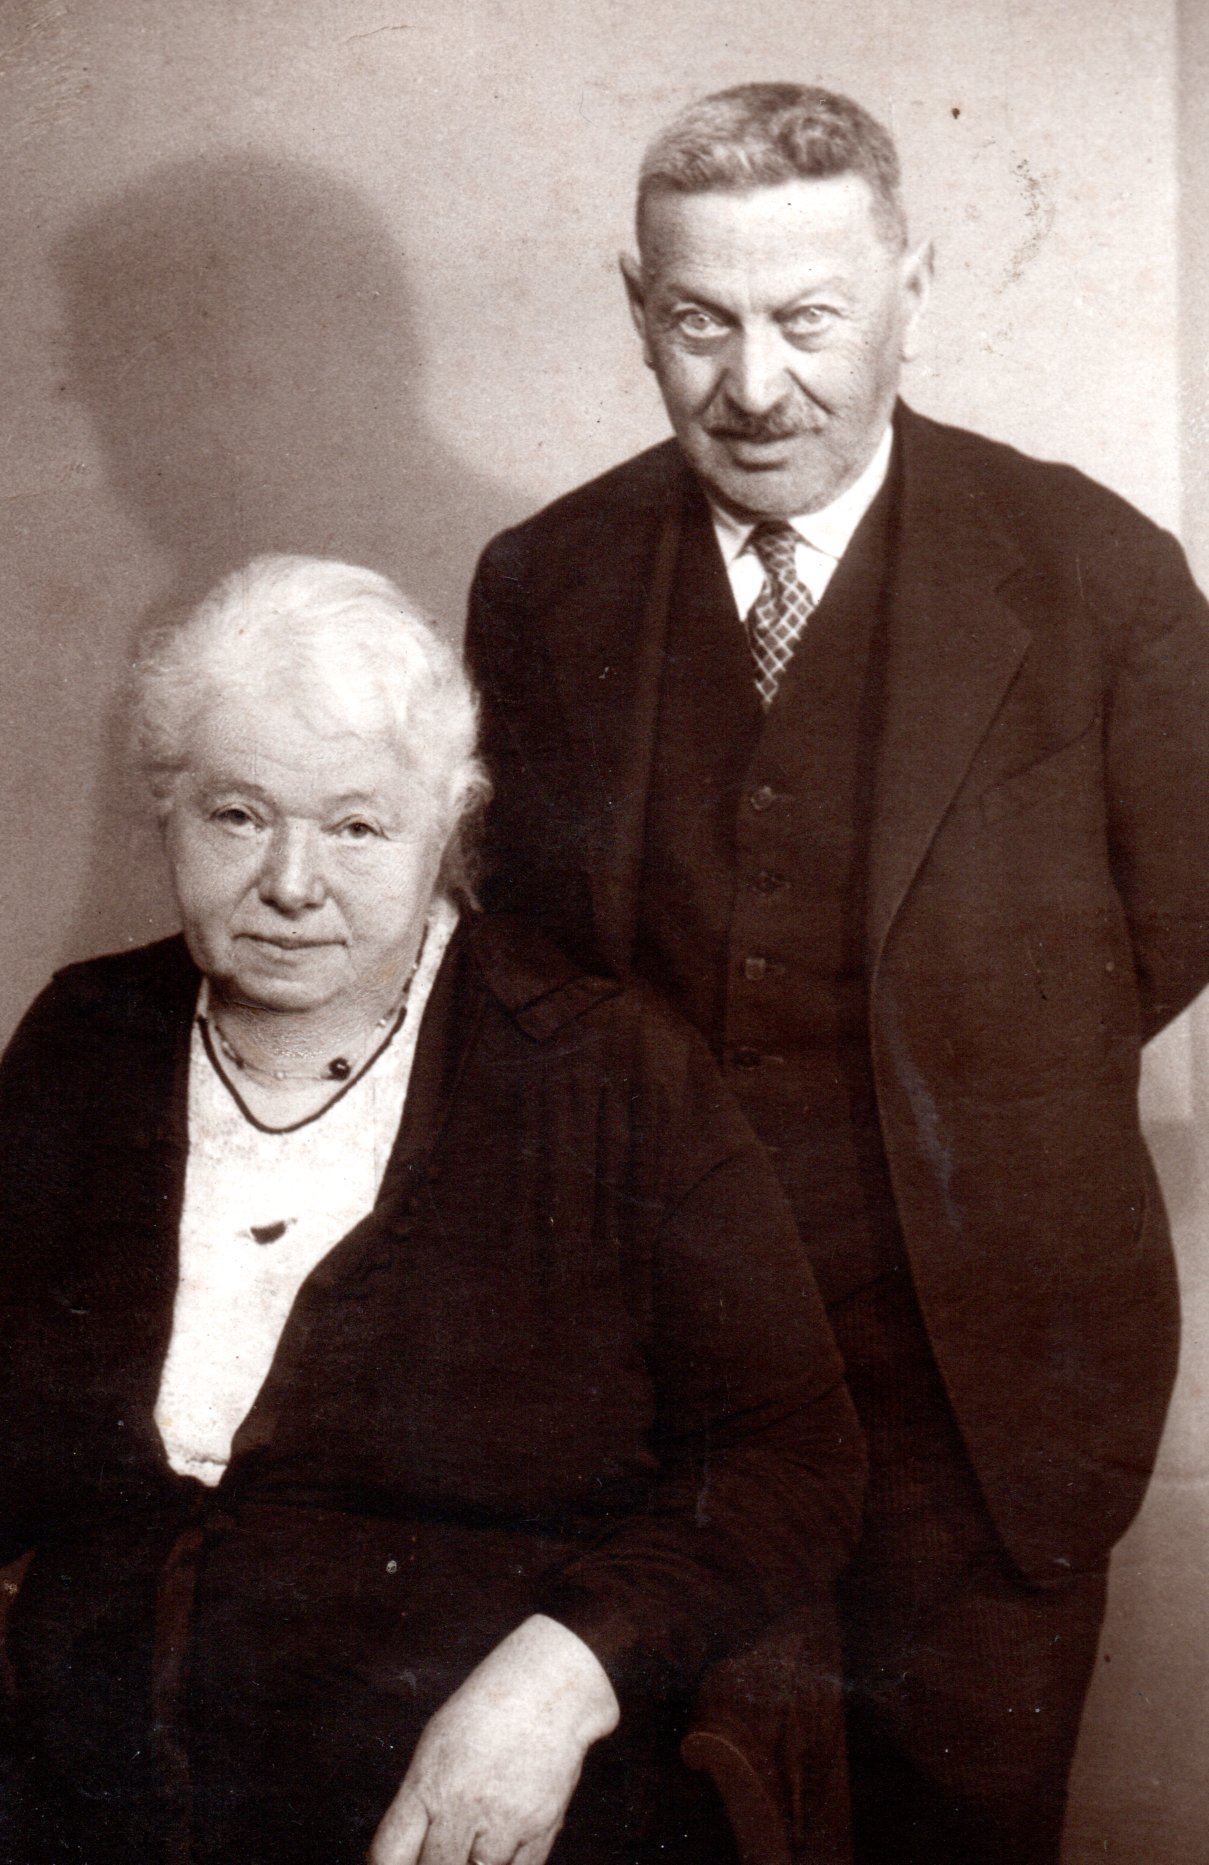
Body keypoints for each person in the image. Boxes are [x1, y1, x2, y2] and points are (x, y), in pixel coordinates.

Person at [464, 82, 1209, 1865]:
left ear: (909, 289)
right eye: (698, 321)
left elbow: (1176, 914)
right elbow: (526, 966)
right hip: (659, 1402)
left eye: (806, 318)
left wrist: (968, 1066)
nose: (754, 385)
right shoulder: (543, 584)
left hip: (988, 1402)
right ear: (633, 305)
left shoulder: (1097, 573)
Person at [0, 554, 864, 1865]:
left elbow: (791, 1457)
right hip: (88, 1804)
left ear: (447, 826)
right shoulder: (88, 1036)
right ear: (165, 809)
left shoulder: (604, 1073)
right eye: (238, 815)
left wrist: (565, 1674)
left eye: (357, 827)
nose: (292, 882)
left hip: (465, 1818)